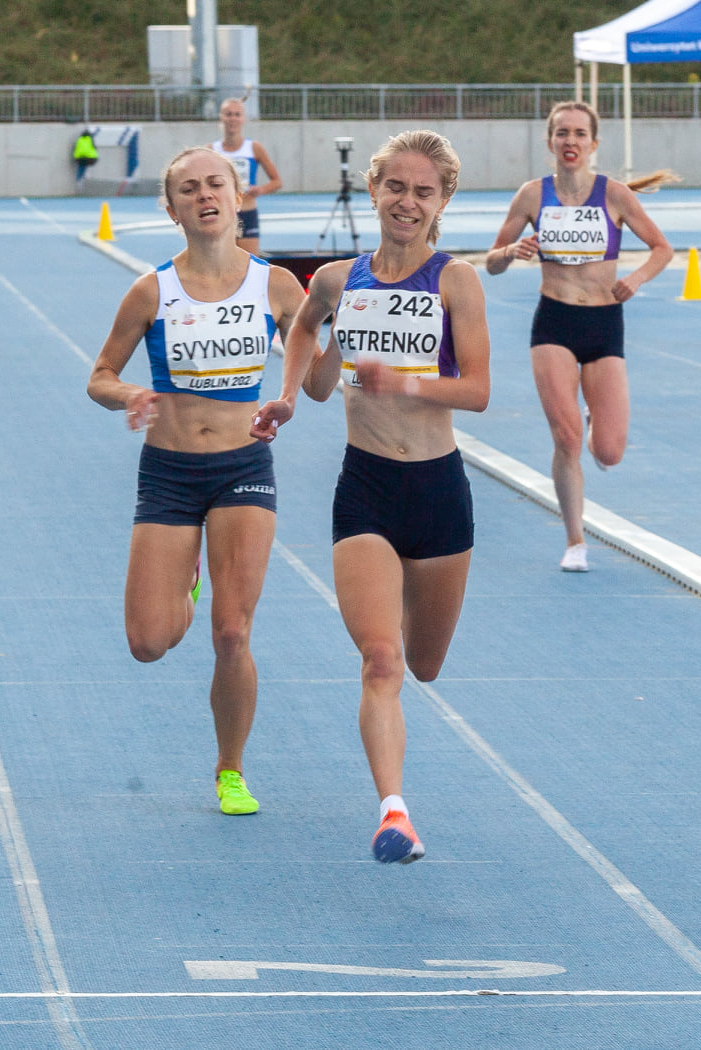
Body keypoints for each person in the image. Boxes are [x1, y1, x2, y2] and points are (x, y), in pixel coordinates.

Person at [251, 130, 491, 864]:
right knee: (380, 661)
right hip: (365, 490)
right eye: (396, 188)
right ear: (373, 191)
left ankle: (395, 798)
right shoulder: (336, 279)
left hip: (438, 490)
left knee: (423, 664)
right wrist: (292, 393)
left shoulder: (454, 282)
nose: (406, 203)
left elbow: (477, 391)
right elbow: (306, 343)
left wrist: (403, 381)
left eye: (423, 192)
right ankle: (394, 814)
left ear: (442, 201)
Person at [87, 146, 307, 815]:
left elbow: (315, 365)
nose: (205, 195)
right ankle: (184, 577)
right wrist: (127, 395)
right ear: (171, 207)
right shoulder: (151, 290)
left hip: (243, 468)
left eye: (217, 184)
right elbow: (97, 375)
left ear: (239, 196)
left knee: (232, 632)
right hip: (170, 471)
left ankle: (230, 770)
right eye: (190, 188)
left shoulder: (274, 285)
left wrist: (297, 386)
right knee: (148, 642)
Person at [486, 100, 675, 573]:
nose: (570, 141)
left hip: (605, 323)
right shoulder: (532, 196)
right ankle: (575, 540)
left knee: (608, 451)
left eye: (579, 134)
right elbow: (491, 261)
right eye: (562, 133)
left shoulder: (613, 195)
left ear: (593, 144)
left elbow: (662, 248)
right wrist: (513, 249)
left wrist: (636, 279)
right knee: (566, 438)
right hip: (554, 322)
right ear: (550, 141)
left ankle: (595, 419)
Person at [211, 97, 282, 255]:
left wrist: (260, 190)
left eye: (237, 114)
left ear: (243, 119)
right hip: (221, 214)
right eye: (229, 114)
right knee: (219, 266)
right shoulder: (211, 150)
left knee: (249, 266)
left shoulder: (253, 148)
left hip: (247, 212)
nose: (233, 119)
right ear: (221, 117)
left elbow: (277, 181)